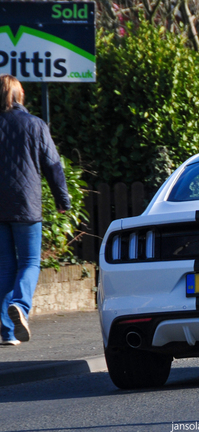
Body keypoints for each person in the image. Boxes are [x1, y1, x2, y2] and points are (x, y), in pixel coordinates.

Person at [0, 75, 71, 346]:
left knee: (5, 266)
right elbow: (53, 165)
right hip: (25, 204)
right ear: (20, 96)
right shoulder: (35, 125)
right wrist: (62, 200)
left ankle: (7, 333)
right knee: (30, 262)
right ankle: (20, 305)